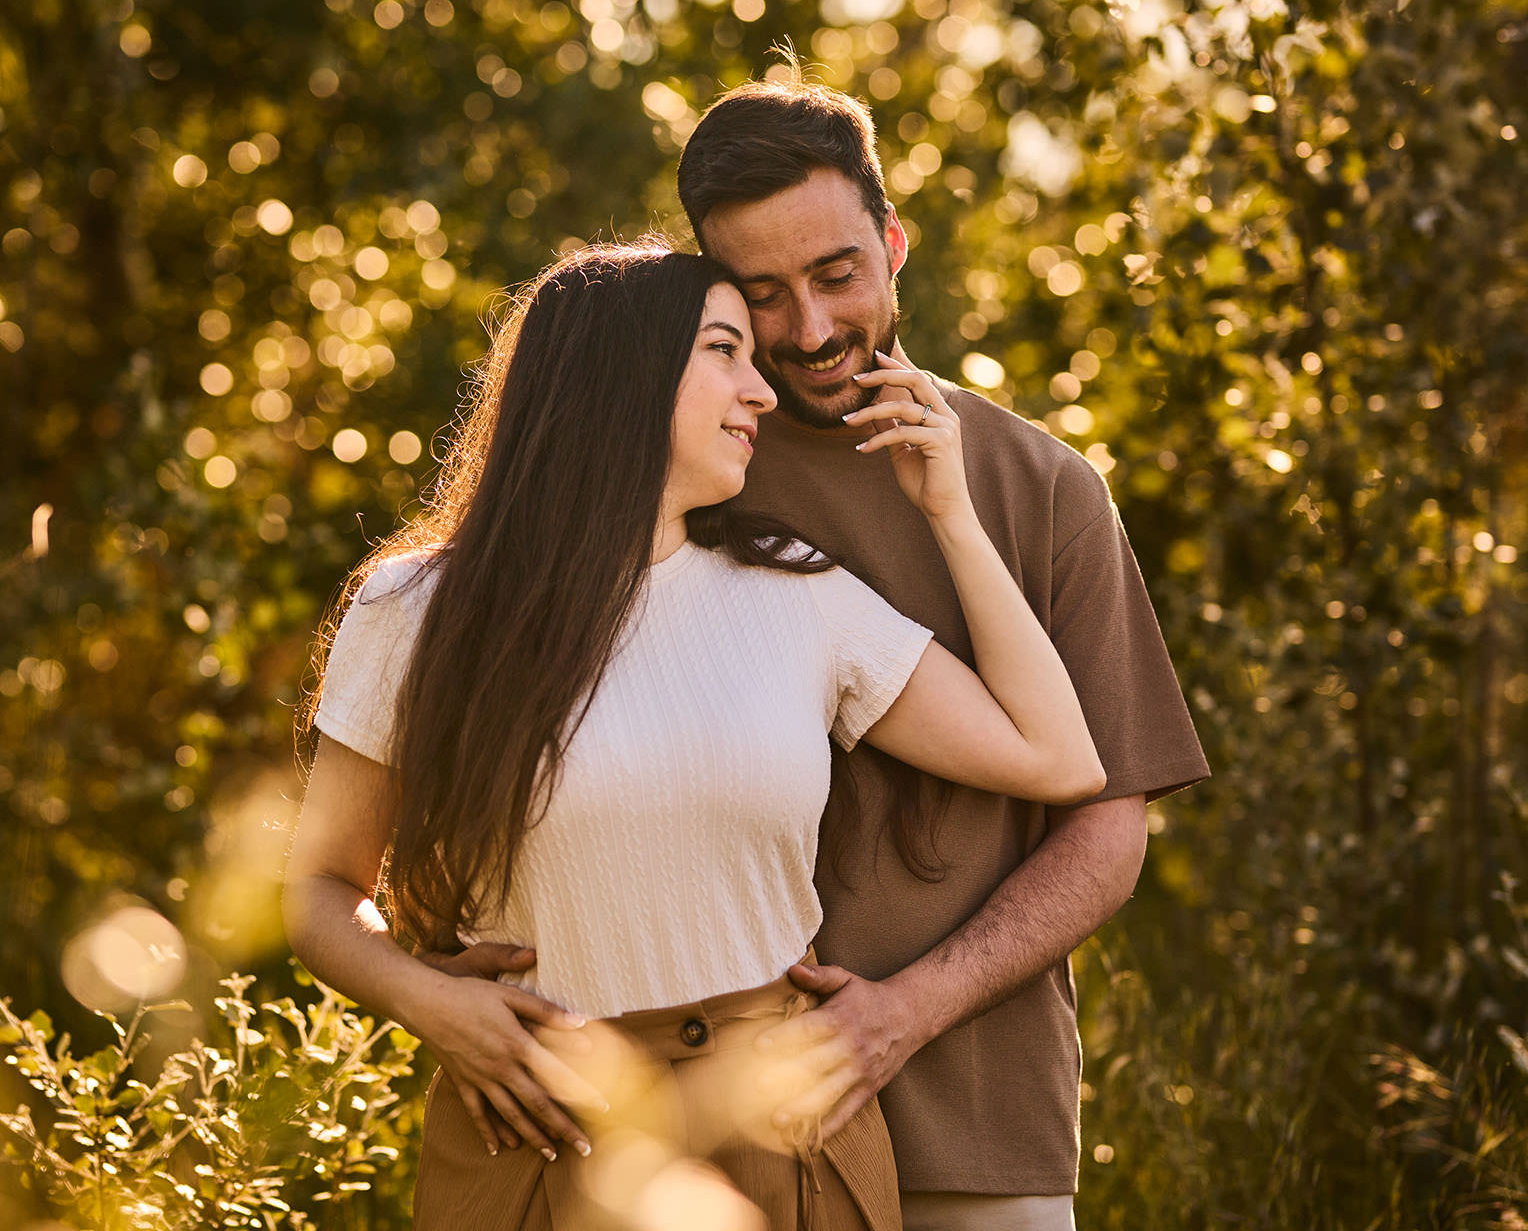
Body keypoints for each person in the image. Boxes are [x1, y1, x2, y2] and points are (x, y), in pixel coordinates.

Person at [282, 238, 1107, 1230]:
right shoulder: (415, 608)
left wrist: (951, 511)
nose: (761, 391)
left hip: (780, 1134)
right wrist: (431, 1002)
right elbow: (320, 888)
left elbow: (1055, 757)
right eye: (725, 350)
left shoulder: (797, 592)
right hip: (539, 1129)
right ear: (621, 376)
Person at [666, 72, 1214, 1229]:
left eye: (837, 275)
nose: (811, 329)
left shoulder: (1045, 486)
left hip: (977, 1131)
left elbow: (1108, 829)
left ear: (894, 243)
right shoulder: (680, 478)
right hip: (711, 1140)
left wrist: (905, 1010)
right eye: (763, 295)